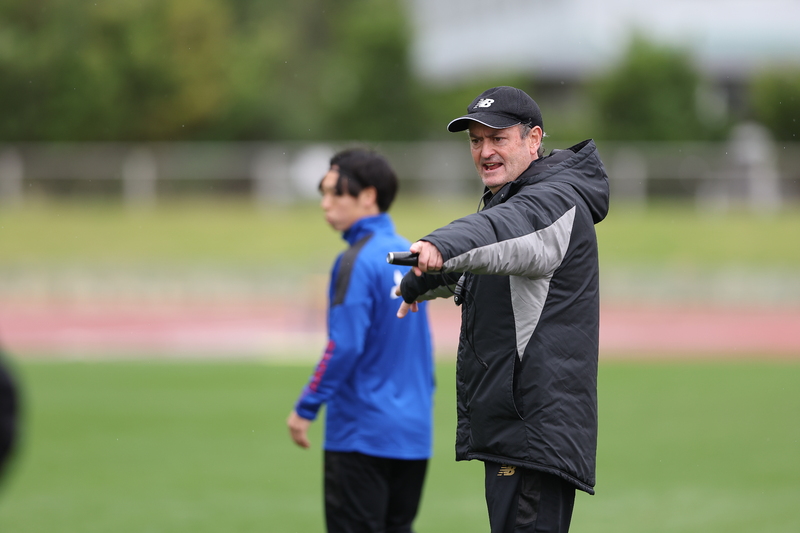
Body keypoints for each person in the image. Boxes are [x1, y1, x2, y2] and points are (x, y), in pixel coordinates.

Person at [396, 86, 610, 533]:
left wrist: (441, 243)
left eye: (498, 138)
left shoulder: (553, 200)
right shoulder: (518, 197)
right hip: (518, 434)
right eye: (476, 141)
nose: (485, 152)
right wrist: (420, 280)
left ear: (534, 139)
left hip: (531, 434)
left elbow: (503, 232)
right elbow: (484, 265)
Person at [287, 147, 435, 533]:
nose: (325, 204)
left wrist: (306, 406)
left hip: (361, 432)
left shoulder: (355, 260)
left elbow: (345, 344)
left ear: (368, 196)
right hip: (413, 433)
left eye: (336, 192)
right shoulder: (409, 252)